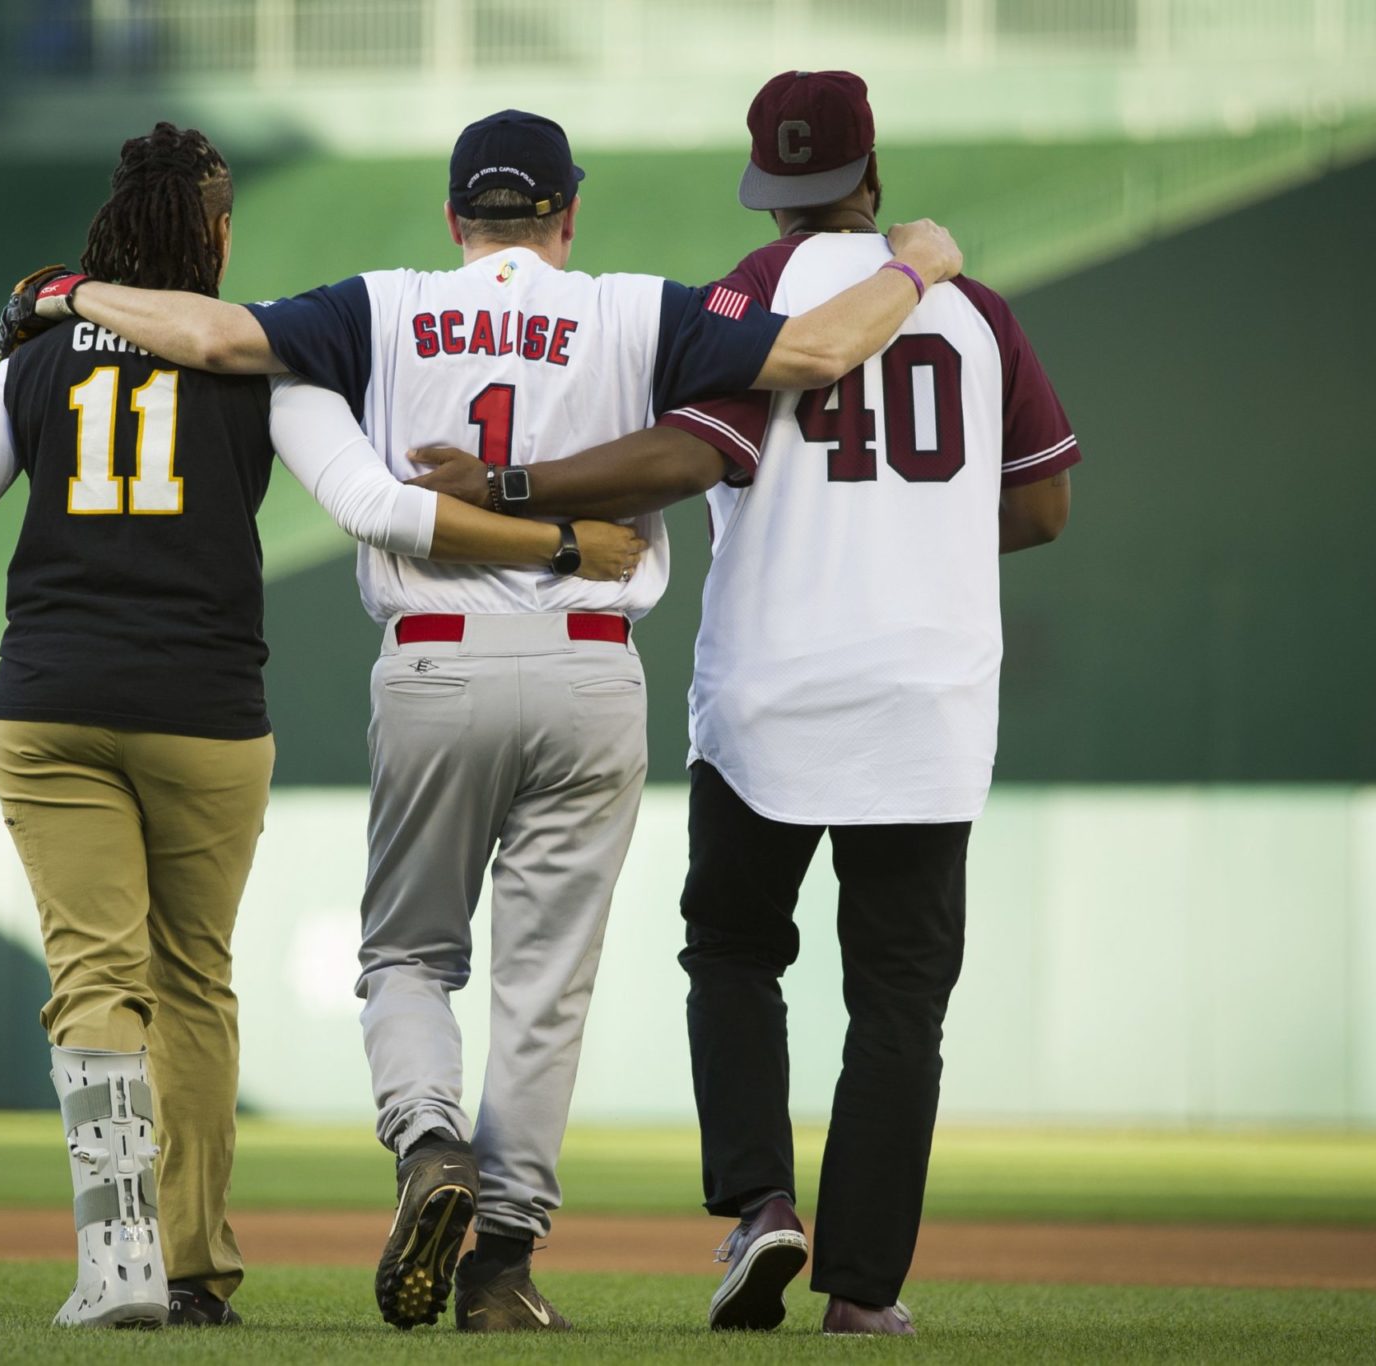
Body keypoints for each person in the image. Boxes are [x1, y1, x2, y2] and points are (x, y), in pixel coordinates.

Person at [3, 108, 962, 1331]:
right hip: (590, 662)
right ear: (568, 213)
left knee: (407, 956)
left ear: (455, 220)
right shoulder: (633, 306)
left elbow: (201, 330)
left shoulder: (383, 302)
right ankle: (500, 1265)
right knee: (542, 987)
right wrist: (915, 263)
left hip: (432, 664)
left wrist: (66, 294)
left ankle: (424, 1147)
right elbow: (824, 352)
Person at [0, 123, 644, 1332]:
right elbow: (381, 508)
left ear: (107, 235)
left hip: (53, 705)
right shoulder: (261, 363)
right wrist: (563, 544)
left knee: (94, 980)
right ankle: (192, 1266)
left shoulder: (35, 359)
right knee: (192, 981)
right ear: (215, 234)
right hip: (207, 713)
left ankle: (112, 1265)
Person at [403, 71, 1078, 1338]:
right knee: (895, 1002)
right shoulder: (972, 310)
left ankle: (760, 1205)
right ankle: (864, 1294)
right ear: (871, 175)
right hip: (926, 707)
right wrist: (910, 529)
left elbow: (685, 455)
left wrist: (517, 480)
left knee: (731, 950)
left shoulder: (745, 297)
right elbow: (1040, 504)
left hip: (771, 693)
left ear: (767, 191)